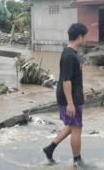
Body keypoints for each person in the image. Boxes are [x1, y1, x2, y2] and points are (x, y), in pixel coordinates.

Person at [43, 23, 88, 167]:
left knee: (72, 125)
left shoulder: (71, 54)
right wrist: (70, 103)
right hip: (70, 98)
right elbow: (66, 81)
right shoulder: (70, 56)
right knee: (76, 128)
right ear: (79, 36)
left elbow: (73, 77)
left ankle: (50, 148)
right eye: (84, 36)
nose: (85, 40)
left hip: (73, 96)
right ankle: (77, 160)